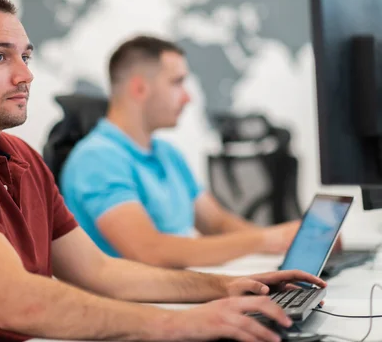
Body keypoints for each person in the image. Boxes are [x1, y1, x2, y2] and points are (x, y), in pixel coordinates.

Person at [0, 0, 324, 342]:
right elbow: (18, 304)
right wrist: (176, 326)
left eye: (26, 56)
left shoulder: (20, 157)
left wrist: (225, 289)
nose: (25, 74)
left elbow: (100, 272)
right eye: (0, 56)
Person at [60, 35, 302, 268]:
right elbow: (149, 251)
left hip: (178, 292)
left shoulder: (167, 153)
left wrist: (286, 241)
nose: (187, 98)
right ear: (140, 88)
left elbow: (216, 224)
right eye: (177, 82)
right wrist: (266, 239)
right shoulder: (96, 159)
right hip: (139, 305)